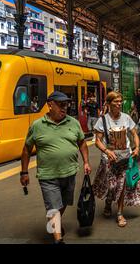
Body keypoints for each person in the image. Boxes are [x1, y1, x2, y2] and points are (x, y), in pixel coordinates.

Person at [20, 91, 91, 244]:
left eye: (66, 104)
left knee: (63, 204)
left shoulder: (73, 122)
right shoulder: (37, 126)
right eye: (60, 104)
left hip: (70, 172)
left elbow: (82, 143)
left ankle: (53, 224)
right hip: (48, 175)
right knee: (53, 207)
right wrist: (24, 172)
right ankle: (58, 240)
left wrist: (86, 161)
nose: (64, 107)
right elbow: (26, 149)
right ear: (49, 105)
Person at [92, 91, 140, 228]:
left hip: (124, 158)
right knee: (112, 186)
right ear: (109, 104)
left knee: (121, 187)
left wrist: (137, 147)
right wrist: (107, 151)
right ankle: (108, 202)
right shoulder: (103, 120)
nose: (119, 104)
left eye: (120, 101)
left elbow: (134, 133)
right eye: (116, 102)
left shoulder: (126, 118)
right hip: (109, 159)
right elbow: (98, 141)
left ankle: (120, 213)